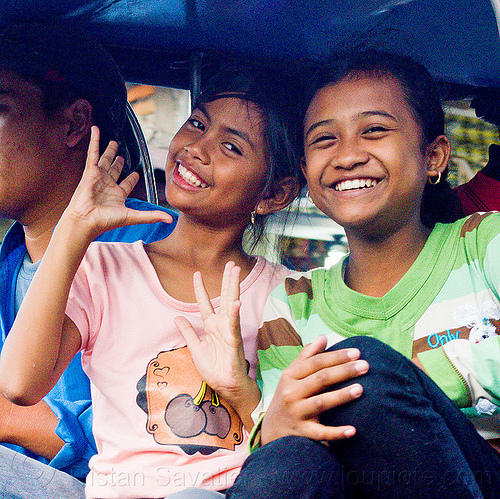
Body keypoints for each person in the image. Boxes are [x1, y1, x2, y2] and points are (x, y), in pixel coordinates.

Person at [192, 50, 500, 498]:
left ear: (434, 156)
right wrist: (271, 416)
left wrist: (410, 383)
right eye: (324, 140)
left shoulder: (486, 245)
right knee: (290, 457)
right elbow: (289, 445)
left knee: (358, 372)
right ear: (306, 175)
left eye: (374, 131)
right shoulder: (294, 304)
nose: (348, 156)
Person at [0, 61, 304, 498]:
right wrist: (73, 228)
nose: (198, 147)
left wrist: (241, 391)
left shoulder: (283, 295)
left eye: (232, 147)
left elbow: (291, 448)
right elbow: (18, 385)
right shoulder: (104, 267)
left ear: (274, 194)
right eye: (197, 124)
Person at [0, 23, 176, 496]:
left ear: (74, 123)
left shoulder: (166, 248)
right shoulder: (9, 264)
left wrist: (14, 420)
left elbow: (188, 437)